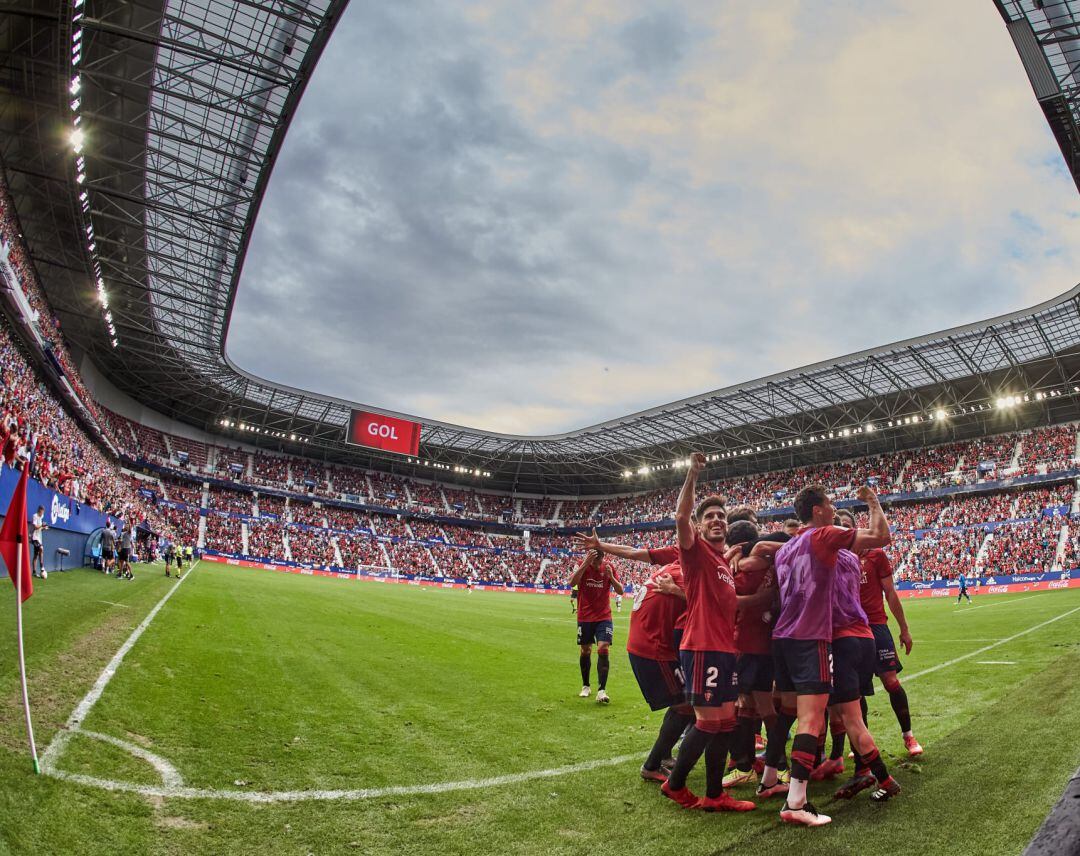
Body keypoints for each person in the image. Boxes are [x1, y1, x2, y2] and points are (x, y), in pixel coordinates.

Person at [766, 484, 892, 827]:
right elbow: (881, 536)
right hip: (812, 636)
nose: (835, 507)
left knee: (793, 714)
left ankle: (773, 781)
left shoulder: (785, 550)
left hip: (782, 637)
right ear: (818, 510)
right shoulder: (824, 536)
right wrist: (872, 500)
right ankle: (796, 801)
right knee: (813, 719)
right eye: (830, 503)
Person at [660, 452, 755, 813]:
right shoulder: (696, 553)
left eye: (721, 516)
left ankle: (716, 794)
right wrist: (692, 475)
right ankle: (675, 784)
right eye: (710, 516)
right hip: (701, 647)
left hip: (724, 650)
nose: (717, 520)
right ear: (700, 527)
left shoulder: (721, 564)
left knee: (727, 721)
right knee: (708, 723)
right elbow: (681, 516)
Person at [836, 510, 923, 757]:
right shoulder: (834, 558)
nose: (843, 530)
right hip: (849, 629)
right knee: (856, 690)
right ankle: (861, 742)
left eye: (846, 526)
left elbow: (891, 593)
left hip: (876, 626)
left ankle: (908, 736)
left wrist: (904, 629)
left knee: (891, 682)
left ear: (855, 529)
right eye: (839, 527)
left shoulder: (876, 555)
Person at [625, 561, 694, 782]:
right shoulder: (682, 574)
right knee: (686, 706)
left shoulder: (670, 568)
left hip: (646, 643)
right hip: (653, 648)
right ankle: (651, 765)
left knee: (680, 701)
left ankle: (663, 756)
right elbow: (710, 603)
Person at [569, 549, 623, 703]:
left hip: (603, 616)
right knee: (586, 650)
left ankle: (602, 690)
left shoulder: (609, 567)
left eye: (598, 562)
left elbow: (620, 590)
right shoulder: (581, 565)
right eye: (593, 561)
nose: (596, 565)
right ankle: (586, 686)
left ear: (602, 558)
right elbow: (572, 582)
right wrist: (585, 563)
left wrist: (611, 577)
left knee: (603, 648)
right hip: (585, 616)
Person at [31, 505, 47, 579]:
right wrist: (41, 525)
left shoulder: (41, 517)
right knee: (41, 548)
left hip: (39, 538)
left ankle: (34, 572)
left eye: (43, 512)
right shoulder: (35, 516)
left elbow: (39, 529)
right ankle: (42, 567)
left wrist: (44, 528)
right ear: (39, 510)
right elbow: (35, 527)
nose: (42, 513)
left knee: (36, 555)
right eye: (41, 512)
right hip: (34, 538)